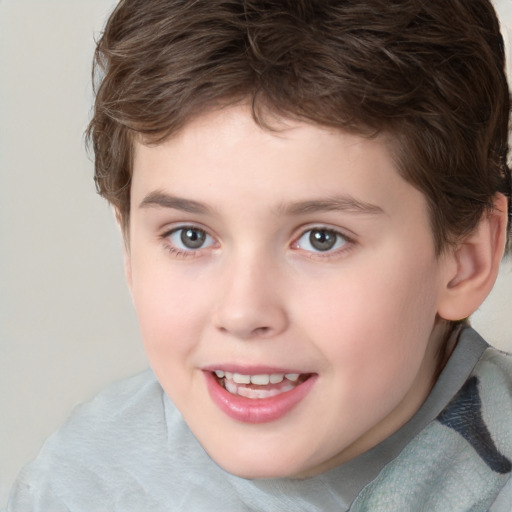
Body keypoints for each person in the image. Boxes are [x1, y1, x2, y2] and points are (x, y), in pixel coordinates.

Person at [7, 0, 512, 510]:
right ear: (130, 251)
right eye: (190, 236)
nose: (244, 312)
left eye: (321, 239)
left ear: (466, 258)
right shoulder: (79, 487)